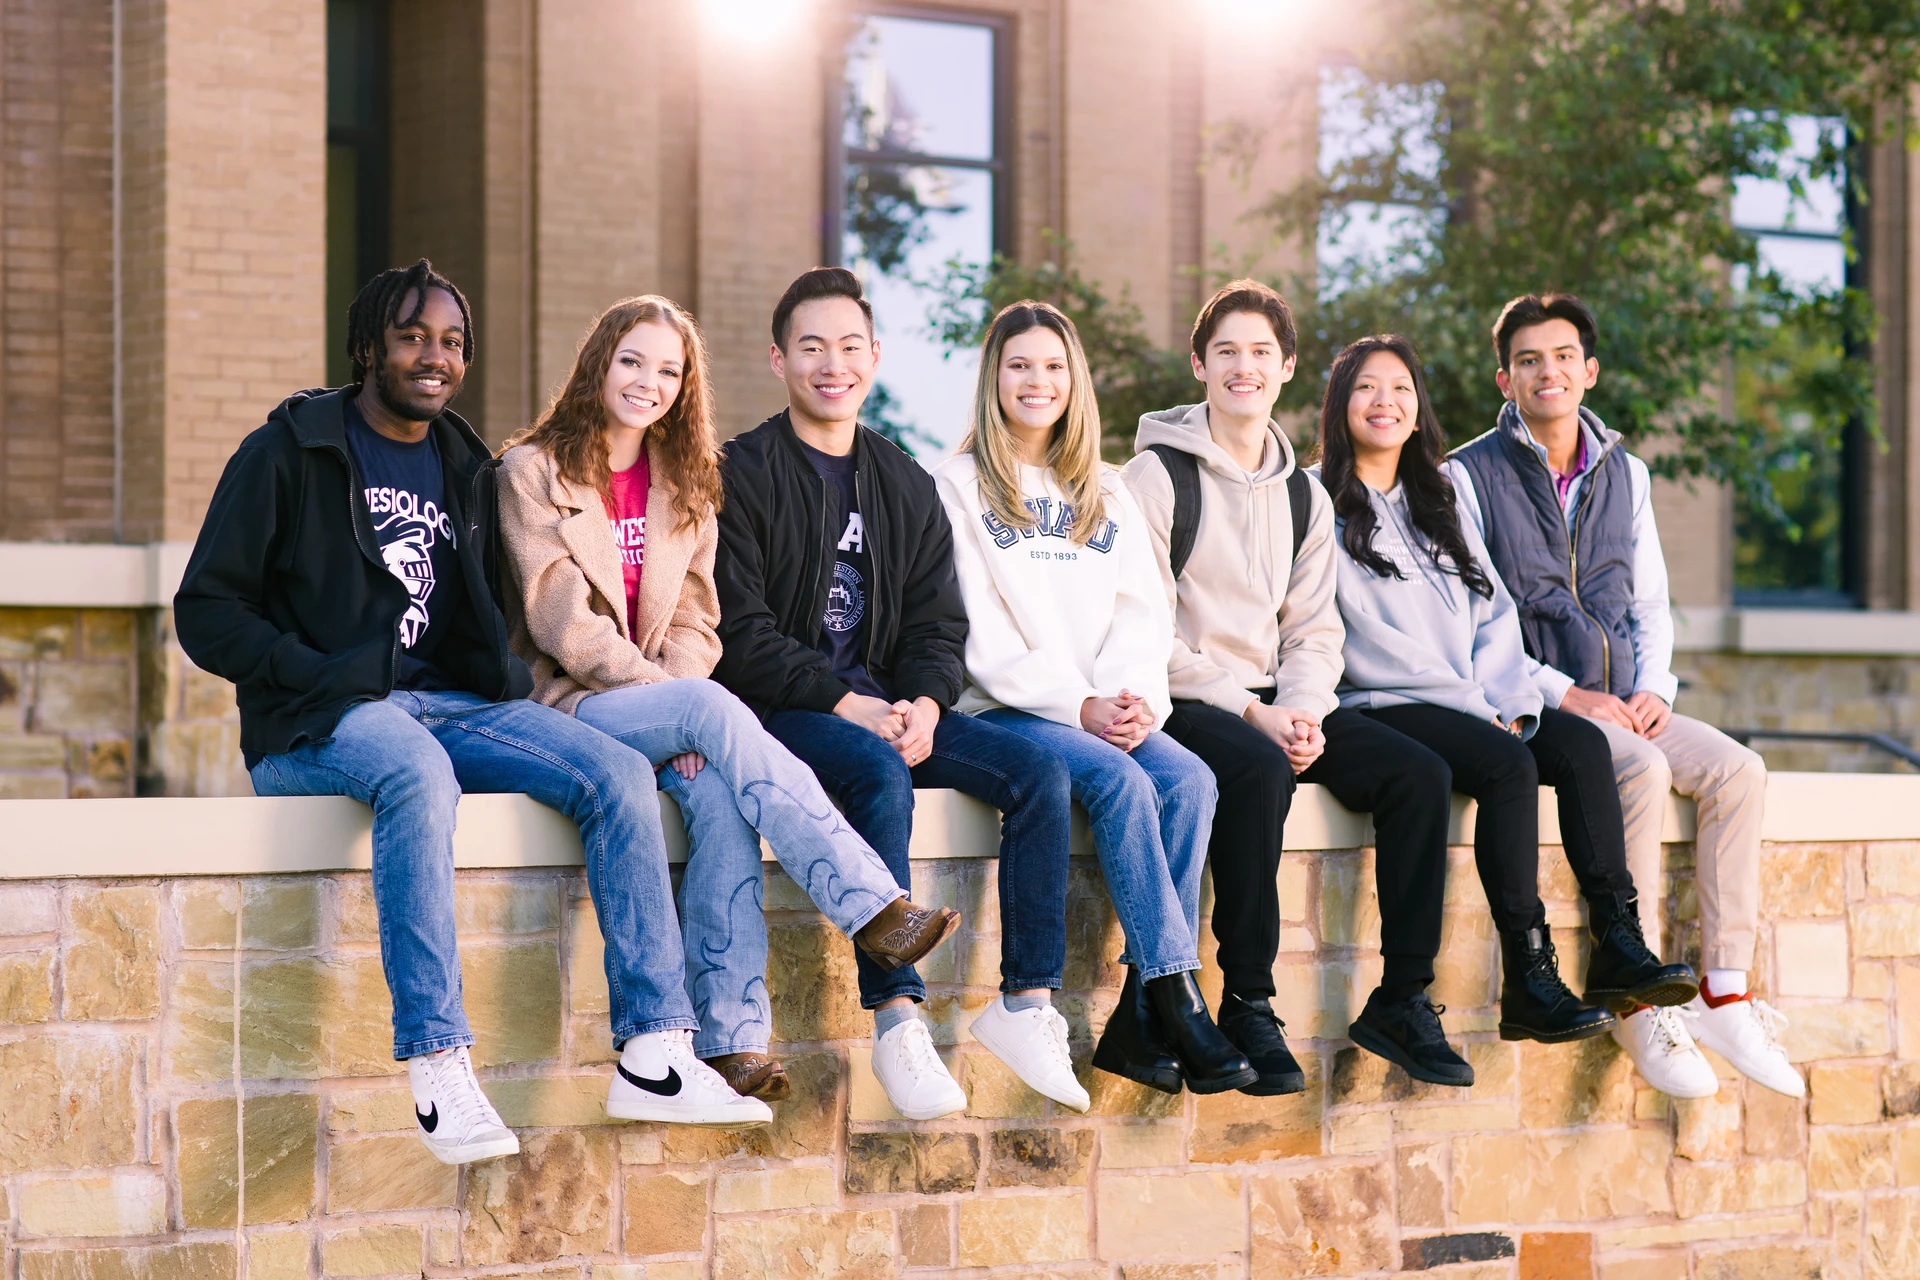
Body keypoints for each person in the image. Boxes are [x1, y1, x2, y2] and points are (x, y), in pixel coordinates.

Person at [174, 261, 770, 1164]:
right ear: (368, 346)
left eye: (451, 342)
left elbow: (480, 613)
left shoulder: (462, 461)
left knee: (611, 772)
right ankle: (438, 1064)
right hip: (319, 721)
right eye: (413, 337)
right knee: (417, 769)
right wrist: (308, 671)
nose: (434, 357)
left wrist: (501, 685)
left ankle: (654, 1049)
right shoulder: (289, 450)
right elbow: (206, 611)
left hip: (442, 704)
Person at [494, 295, 962, 1106]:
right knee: (712, 713)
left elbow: (698, 619)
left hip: (667, 704)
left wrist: (678, 703)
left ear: (686, 385)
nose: (648, 382)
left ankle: (734, 1040)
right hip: (573, 705)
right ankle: (868, 904)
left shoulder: (686, 483)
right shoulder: (531, 473)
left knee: (719, 799)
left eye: (668, 370)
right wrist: (675, 703)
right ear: (598, 361)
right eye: (632, 361)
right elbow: (563, 624)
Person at [712, 267, 1087, 1119]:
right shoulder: (743, 471)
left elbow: (937, 627)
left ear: (875, 357)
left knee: (1039, 775)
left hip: (894, 708)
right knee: (875, 778)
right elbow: (740, 631)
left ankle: (1027, 1004)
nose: (830, 364)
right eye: (811, 347)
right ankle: (897, 1021)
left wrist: (923, 702)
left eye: (849, 346)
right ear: (778, 360)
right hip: (788, 712)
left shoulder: (904, 482)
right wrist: (851, 707)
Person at [1447, 293, 1801, 1098]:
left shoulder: (1625, 471)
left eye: (1564, 356)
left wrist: (1655, 688)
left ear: (1590, 370)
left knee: (1739, 771)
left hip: (1629, 700)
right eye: (1530, 359)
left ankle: (1724, 989)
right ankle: (1637, 995)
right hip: (1538, 704)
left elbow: (1649, 602)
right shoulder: (1466, 477)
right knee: (1636, 766)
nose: (1549, 372)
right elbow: (1480, 620)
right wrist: (1566, 694)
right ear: (1505, 377)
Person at [1125, 280, 1473, 1088]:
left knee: (1419, 773)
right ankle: (1248, 1000)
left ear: (1285, 367)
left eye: (1259, 353)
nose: (1242, 368)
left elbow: (1316, 630)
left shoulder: (1302, 494)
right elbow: (1145, 632)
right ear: (1199, 365)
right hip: (1189, 700)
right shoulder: (1152, 478)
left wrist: (1304, 709)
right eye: (1225, 353)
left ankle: (1405, 997)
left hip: (1281, 698)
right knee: (1253, 771)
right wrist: (1254, 713)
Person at [1311, 332, 1698, 1045]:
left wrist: (1509, 703)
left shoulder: (1438, 497)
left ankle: (1618, 940)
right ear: (1339, 405)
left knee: (1581, 745)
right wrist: (1477, 710)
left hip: (1471, 696)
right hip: (1386, 701)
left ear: (1418, 406)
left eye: (1400, 387)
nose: (1384, 401)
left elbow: (1492, 614)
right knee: (1506, 763)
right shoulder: (1316, 501)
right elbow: (1362, 632)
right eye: (1366, 387)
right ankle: (1529, 975)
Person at [934, 298, 1255, 1096]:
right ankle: (1174, 997)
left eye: (1052, 367)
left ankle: (1144, 1020)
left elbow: (1143, 613)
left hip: (1106, 704)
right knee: (1118, 783)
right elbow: (974, 624)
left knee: (1188, 779)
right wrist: (1077, 705)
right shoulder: (956, 484)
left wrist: (1133, 698)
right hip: (1009, 706)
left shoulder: (1107, 490)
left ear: (1075, 381)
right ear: (992, 378)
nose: (1036, 382)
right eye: (1018, 366)